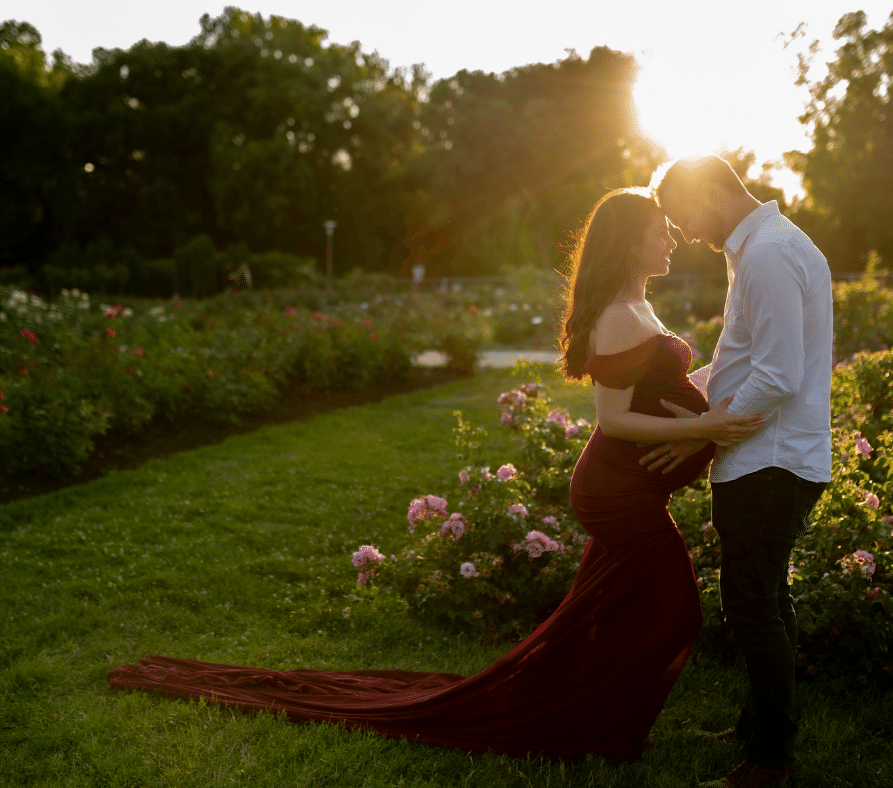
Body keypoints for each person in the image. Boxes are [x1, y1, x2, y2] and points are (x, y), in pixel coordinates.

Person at [107, 188, 763, 764]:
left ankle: (587, 715)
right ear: (628, 241)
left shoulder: (637, 306)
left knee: (604, 616)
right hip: (617, 492)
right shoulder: (619, 315)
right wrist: (701, 429)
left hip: (630, 487)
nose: (672, 237)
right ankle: (583, 719)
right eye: (660, 228)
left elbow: (666, 384)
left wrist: (717, 387)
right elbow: (615, 419)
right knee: (674, 608)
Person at [644, 155, 833, 788]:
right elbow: (749, 356)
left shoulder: (769, 253)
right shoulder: (760, 248)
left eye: (683, 213)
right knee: (768, 600)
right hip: (769, 457)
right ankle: (761, 727)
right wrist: (689, 394)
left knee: (752, 607)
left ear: (710, 192)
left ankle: (770, 762)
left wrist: (711, 428)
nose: (685, 230)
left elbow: (778, 374)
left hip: (769, 459)